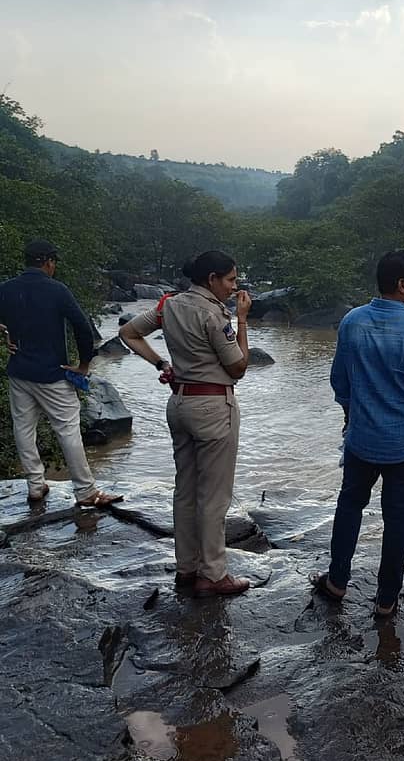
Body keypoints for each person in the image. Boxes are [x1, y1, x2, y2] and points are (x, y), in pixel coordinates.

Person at [310, 249, 404, 617]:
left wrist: (350, 416)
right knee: (397, 520)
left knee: (350, 505)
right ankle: (386, 600)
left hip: (360, 440)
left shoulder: (352, 322)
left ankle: (337, 581)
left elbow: (340, 381)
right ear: (402, 285)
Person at [119, 251, 252, 598]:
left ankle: (186, 568)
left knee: (185, 489)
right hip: (212, 406)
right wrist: (242, 321)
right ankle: (214, 573)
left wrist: (161, 363)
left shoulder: (169, 305)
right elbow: (238, 367)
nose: (233, 287)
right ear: (211, 279)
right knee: (214, 494)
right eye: (230, 280)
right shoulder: (213, 313)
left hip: (179, 403)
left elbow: (129, 333)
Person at [0, 239, 122, 507]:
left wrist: (5, 333)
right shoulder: (57, 290)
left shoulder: (6, 289)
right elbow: (82, 328)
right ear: (48, 262)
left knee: (23, 427)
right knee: (67, 430)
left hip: (19, 371)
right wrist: (84, 365)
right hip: (52, 373)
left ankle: (35, 486)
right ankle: (86, 491)